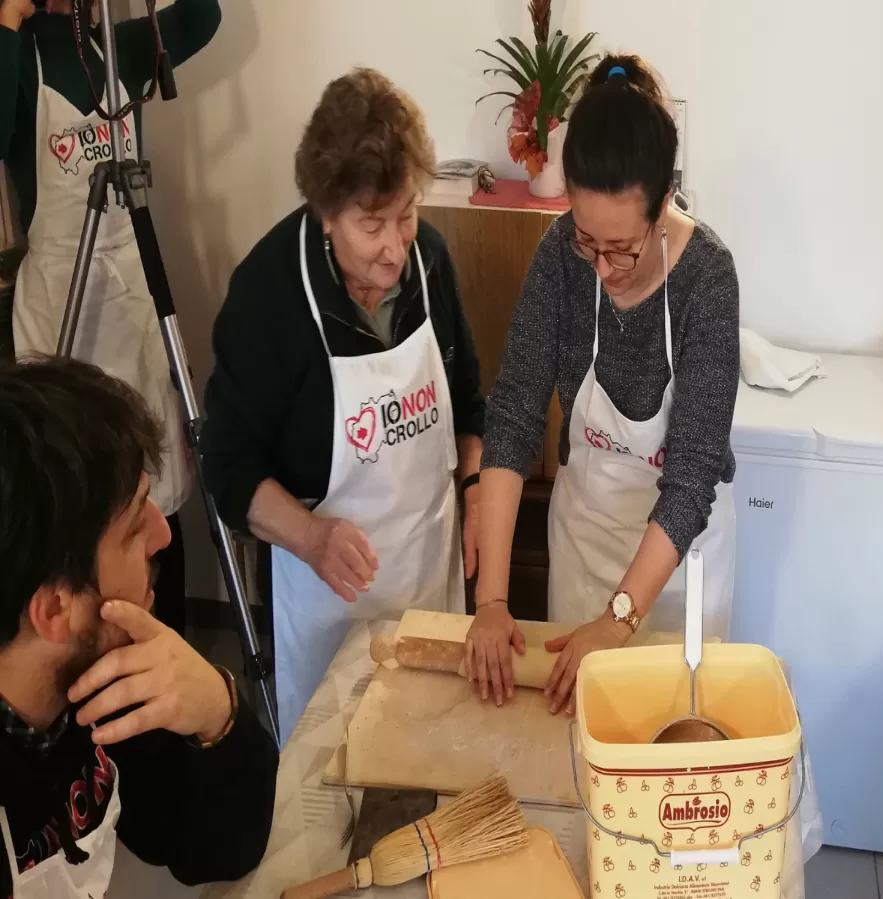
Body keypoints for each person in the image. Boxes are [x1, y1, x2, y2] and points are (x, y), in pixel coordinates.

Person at [201, 68, 488, 742]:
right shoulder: (269, 294)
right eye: (371, 225)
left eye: (406, 214)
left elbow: (469, 405)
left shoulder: (429, 262)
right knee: (332, 767)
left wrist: (476, 491)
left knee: (429, 751)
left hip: (430, 577)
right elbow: (228, 468)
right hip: (327, 601)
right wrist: (311, 536)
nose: (395, 248)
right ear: (326, 213)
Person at [466, 55, 741, 714]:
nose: (603, 267)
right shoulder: (560, 257)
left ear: (663, 204)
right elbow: (514, 417)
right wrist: (492, 601)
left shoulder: (707, 279)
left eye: (622, 247)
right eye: (588, 240)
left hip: (677, 568)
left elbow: (693, 476)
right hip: (584, 544)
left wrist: (619, 621)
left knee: (672, 735)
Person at [0, 356, 277, 899]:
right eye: (134, 526)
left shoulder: (99, 681)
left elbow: (219, 850)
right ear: (54, 610)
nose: (163, 536)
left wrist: (216, 710)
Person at [0, 0, 224, 639]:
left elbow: (203, 17)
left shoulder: (117, 46)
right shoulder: (19, 58)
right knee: (72, 494)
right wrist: (9, 17)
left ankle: (170, 640)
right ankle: (85, 655)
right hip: (60, 306)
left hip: (131, 296)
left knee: (157, 489)